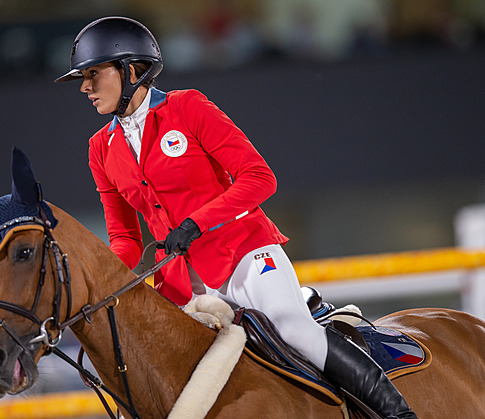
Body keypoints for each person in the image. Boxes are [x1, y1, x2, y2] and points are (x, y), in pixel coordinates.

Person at [55, 16, 417, 419]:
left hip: (244, 254)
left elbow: (260, 178)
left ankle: (398, 414)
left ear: (132, 70)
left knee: (294, 330)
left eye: (93, 74)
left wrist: (196, 224)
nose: (85, 87)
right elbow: (125, 237)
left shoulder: (187, 106)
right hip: (179, 281)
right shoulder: (99, 149)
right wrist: (98, 282)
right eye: (83, 78)